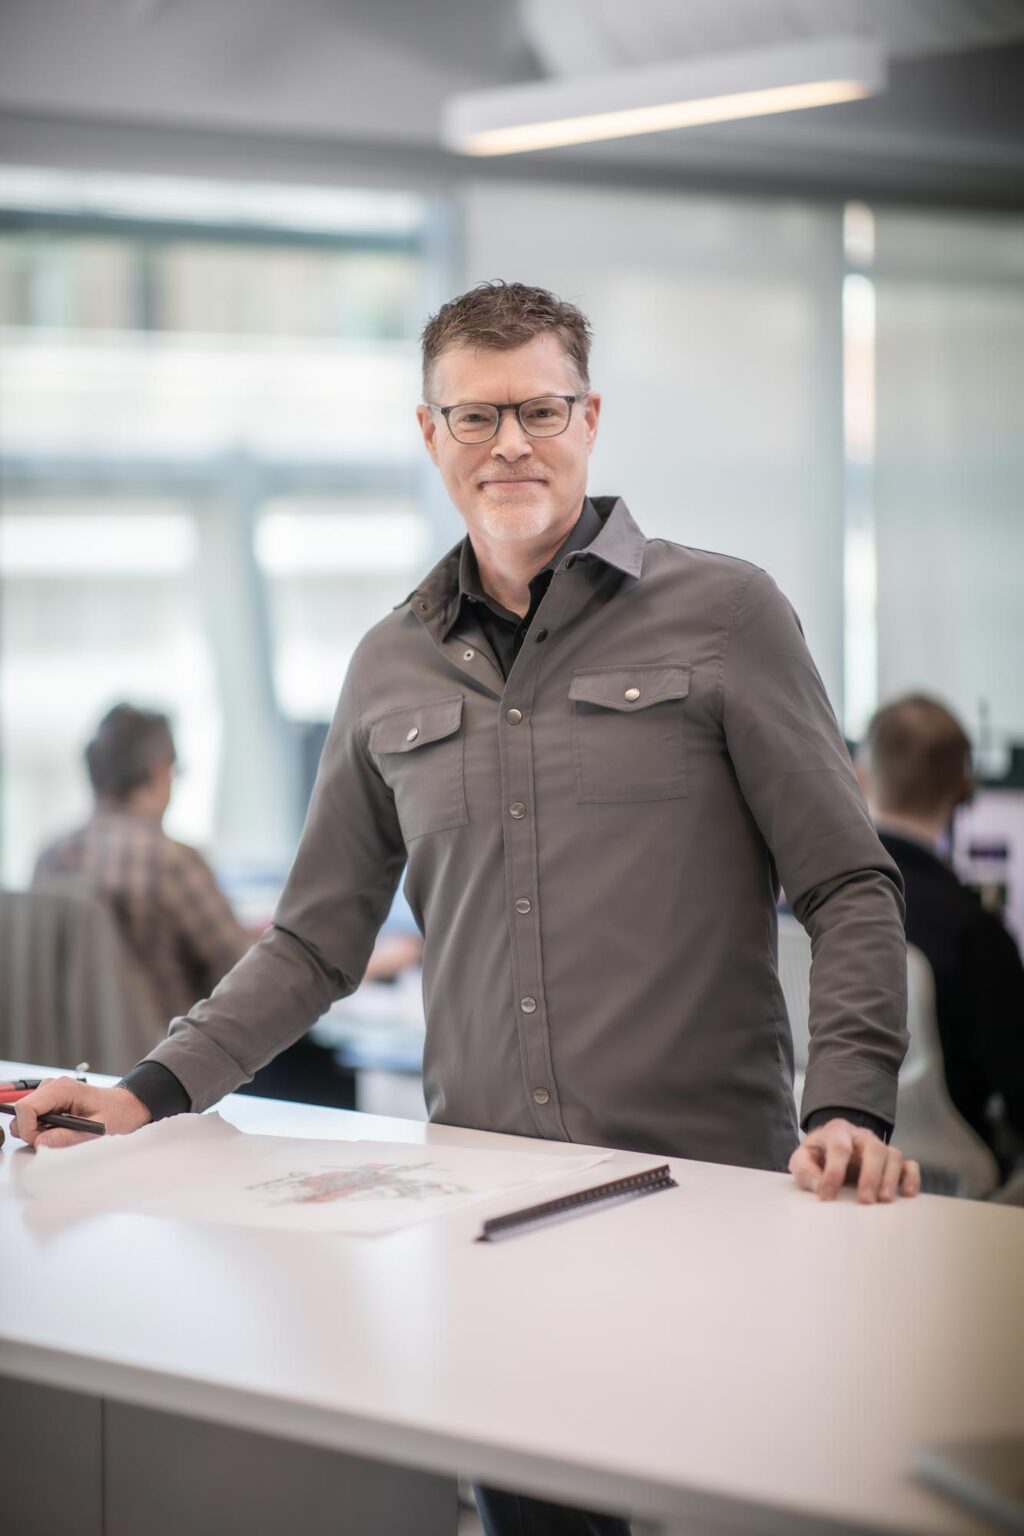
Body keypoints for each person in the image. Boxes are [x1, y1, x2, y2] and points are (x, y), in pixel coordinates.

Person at [15, 283, 920, 1536]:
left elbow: (847, 883)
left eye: (539, 411)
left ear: (589, 418)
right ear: (429, 433)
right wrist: (146, 1092)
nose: (510, 444)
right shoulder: (387, 664)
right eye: (476, 415)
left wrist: (850, 1105)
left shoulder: (728, 615)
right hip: (485, 1215)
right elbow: (314, 941)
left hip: (706, 1200)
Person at [858, 694, 1024, 1176]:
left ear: (860, 778)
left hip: (827, 1158)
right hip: (952, 1180)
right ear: (961, 793)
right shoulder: (976, 933)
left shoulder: (799, 906)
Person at [34, 703, 252, 1030]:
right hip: (167, 1053)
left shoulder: (50, 858)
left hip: (65, 1058)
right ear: (159, 772)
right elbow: (245, 974)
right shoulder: (172, 861)